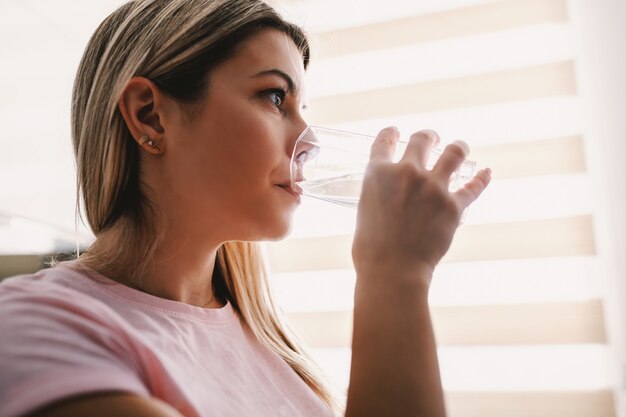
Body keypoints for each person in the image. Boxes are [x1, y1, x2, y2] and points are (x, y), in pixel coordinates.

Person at [0, 0, 491, 416]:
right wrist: (396, 272)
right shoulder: (34, 325)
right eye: (275, 97)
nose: (311, 141)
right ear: (150, 115)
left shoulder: (271, 347)